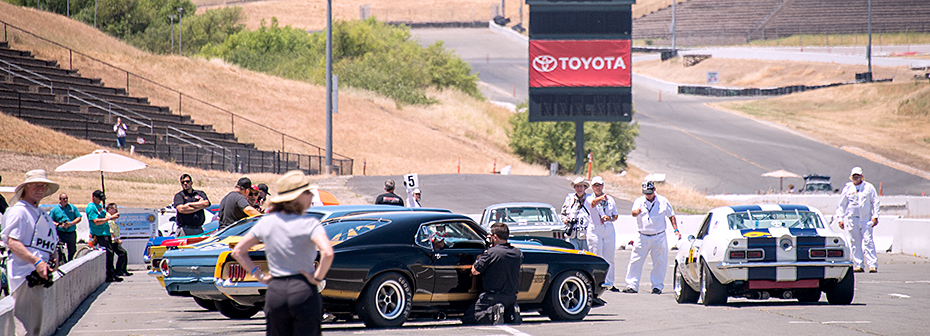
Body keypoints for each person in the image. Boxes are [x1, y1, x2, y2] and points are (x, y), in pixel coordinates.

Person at [231, 170, 334, 336]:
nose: (311, 196)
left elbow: (238, 251)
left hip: (276, 290)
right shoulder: (309, 223)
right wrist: (317, 278)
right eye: (307, 192)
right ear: (297, 197)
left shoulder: (267, 222)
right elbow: (328, 253)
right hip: (303, 289)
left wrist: (259, 275)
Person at [1, 170, 60, 336]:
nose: (40, 189)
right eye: (36, 185)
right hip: (25, 277)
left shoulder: (41, 213)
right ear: (26, 188)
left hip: (39, 276)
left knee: (34, 328)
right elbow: (13, 242)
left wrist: (53, 258)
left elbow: (49, 243)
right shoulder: (19, 211)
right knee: (26, 330)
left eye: (43, 186)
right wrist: (37, 262)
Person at [622, 181, 680, 294]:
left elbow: (671, 215)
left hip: (658, 236)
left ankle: (657, 286)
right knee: (635, 260)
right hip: (642, 236)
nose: (648, 195)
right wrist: (636, 212)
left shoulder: (663, 201)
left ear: (654, 190)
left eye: (650, 192)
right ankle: (632, 285)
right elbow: (633, 213)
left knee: (659, 262)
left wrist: (676, 229)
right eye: (646, 193)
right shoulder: (639, 201)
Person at [463, 223, 523, 325]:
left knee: (469, 317)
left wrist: (479, 258)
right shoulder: (518, 253)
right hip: (511, 296)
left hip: (492, 297)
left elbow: (475, 271)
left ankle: (492, 313)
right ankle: (512, 311)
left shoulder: (492, 253)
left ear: (495, 237)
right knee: (504, 313)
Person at [836, 166, 881, 273]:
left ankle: (872, 265)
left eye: (858, 176)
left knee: (868, 241)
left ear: (862, 176)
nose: (856, 178)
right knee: (855, 242)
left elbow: (875, 202)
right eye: (854, 176)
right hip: (852, 219)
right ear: (851, 177)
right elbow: (841, 204)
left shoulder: (868, 187)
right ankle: (858, 264)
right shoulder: (847, 188)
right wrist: (840, 218)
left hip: (865, 219)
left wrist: (875, 216)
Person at [586, 176, 620, 292]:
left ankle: (609, 282)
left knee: (609, 257)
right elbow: (593, 204)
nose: (597, 187)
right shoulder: (589, 198)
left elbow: (615, 216)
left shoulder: (610, 199)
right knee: (597, 255)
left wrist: (609, 218)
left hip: (608, 228)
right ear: (592, 187)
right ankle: (596, 282)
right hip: (595, 229)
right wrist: (601, 198)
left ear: (603, 186)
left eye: (599, 185)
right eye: (595, 185)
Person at [87, 190, 121, 282]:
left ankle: (112, 273)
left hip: (106, 232)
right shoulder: (91, 207)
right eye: (99, 199)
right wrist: (110, 218)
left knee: (110, 254)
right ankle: (109, 275)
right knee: (108, 254)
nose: (100, 201)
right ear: (94, 197)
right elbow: (96, 221)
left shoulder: (99, 206)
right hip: (99, 234)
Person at [560, 177, 592, 251]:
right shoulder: (570, 198)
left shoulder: (590, 198)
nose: (579, 188)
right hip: (571, 234)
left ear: (585, 188)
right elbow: (563, 214)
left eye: (581, 186)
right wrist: (565, 220)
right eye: (577, 186)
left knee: (586, 256)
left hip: (585, 235)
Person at [49, 193, 81, 263]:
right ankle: (61, 262)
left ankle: (71, 262)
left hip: (71, 232)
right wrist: (58, 224)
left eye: (66, 198)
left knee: (72, 249)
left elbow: (79, 217)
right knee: (59, 249)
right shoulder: (55, 210)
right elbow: (50, 220)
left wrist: (71, 223)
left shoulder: (72, 208)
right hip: (60, 233)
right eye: (64, 199)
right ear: (60, 199)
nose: (66, 200)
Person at [106, 203, 131, 277]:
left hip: (115, 240)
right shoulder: (108, 218)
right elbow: (110, 230)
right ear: (110, 209)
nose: (117, 211)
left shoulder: (112, 218)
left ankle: (121, 270)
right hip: (112, 241)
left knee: (122, 253)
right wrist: (116, 239)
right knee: (122, 253)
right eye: (115, 209)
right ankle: (119, 271)